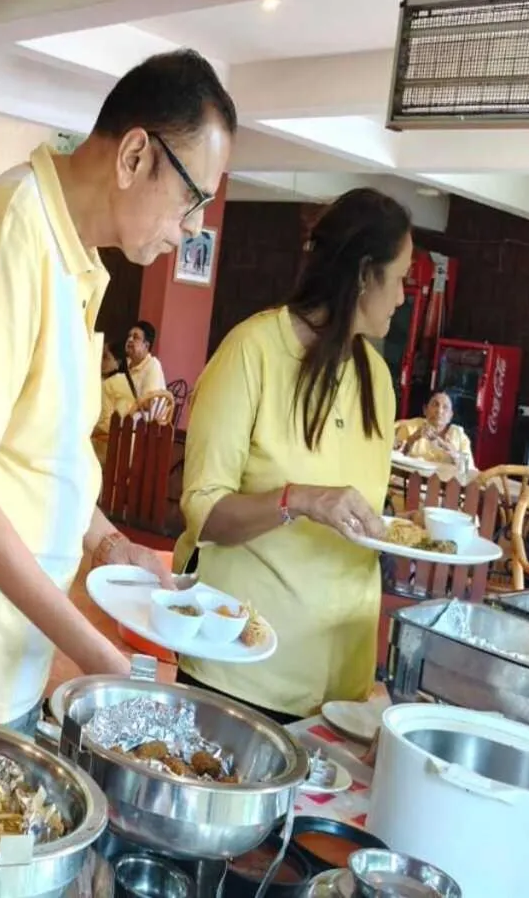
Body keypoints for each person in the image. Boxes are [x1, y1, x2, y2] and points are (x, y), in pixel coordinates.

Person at [0, 49, 232, 729]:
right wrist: (99, 656)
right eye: (194, 196)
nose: (196, 224)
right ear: (135, 156)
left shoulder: (76, 259)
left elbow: (36, 456)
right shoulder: (12, 230)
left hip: (7, 656)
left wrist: (114, 547)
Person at [174, 188, 408, 723]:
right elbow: (203, 514)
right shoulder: (252, 351)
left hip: (339, 684)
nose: (402, 298)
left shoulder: (375, 377)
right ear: (364, 275)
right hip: (245, 667)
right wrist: (297, 499)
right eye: (399, 280)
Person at [99, 320, 166, 429]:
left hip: (142, 427)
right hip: (121, 420)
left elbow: (148, 404)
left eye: (135, 337)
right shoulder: (126, 364)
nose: (130, 339)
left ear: (146, 345)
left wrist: (125, 404)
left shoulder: (153, 365)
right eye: (129, 336)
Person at [394, 390, 475, 472]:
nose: (439, 411)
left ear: (450, 416)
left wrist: (454, 453)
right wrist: (412, 439)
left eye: (445, 407)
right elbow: (393, 458)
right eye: (435, 405)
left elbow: (469, 470)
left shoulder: (459, 435)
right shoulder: (410, 427)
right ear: (425, 410)